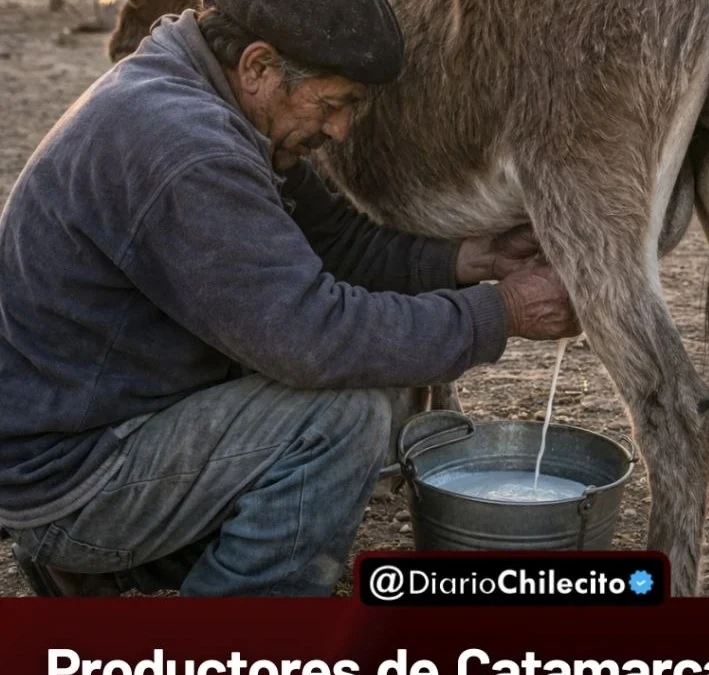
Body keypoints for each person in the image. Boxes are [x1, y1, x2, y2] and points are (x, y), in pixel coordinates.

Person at [0, 0, 580, 597]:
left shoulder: (206, 96)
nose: (340, 131)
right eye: (331, 105)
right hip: (73, 481)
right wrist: (503, 311)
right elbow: (313, 339)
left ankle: (120, 565)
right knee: (340, 419)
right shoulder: (189, 149)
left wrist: (472, 260)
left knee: (363, 376)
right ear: (258, 66)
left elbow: (332, 241)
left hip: (104, 425)